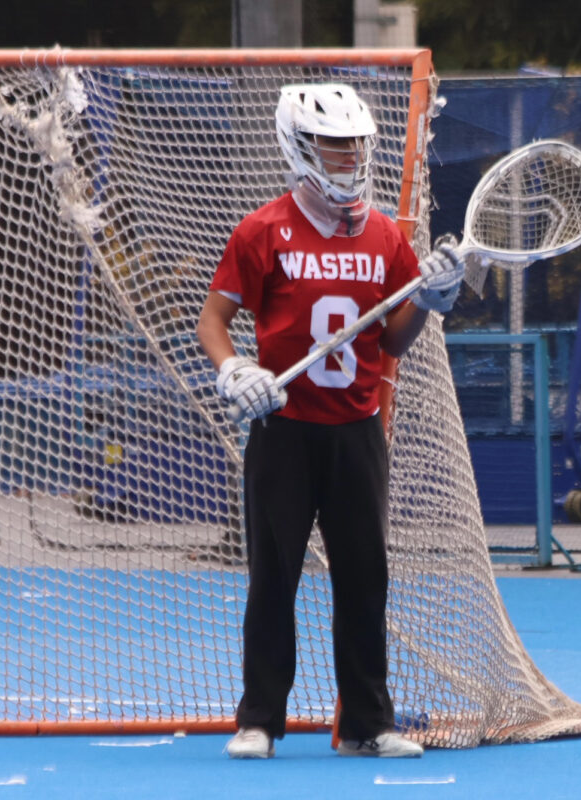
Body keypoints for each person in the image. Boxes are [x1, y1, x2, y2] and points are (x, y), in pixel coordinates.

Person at [197, 83, 464, 759]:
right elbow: (213, 321)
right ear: (299, 146)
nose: (348, 158)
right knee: (274, 578)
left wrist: (431, 301)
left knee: (364, 578)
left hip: (357, 430)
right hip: (283, 430)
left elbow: (394, 340)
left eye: (355, 146)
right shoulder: (263, 230)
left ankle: (368, 724)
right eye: (333, 146)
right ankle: (259, 720)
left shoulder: (384, 235)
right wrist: (233, 370)